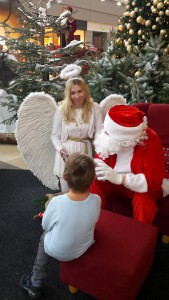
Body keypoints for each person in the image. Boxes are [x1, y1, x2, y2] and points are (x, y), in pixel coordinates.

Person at [19, 152, 101, 299]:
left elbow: (45, 226)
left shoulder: (57, 202)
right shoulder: (97, 200)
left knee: (44, 237)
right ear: (93, 178)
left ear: (65, 176)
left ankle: (35, 282)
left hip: (58, 250)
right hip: (84, 246)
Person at [90, 104, 167, 224]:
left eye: (109, 134)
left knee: (143, 198)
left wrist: (120, 179)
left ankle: (141, 235)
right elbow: (101, 163)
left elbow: (153, 181)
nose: (105, 135)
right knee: (93, 180)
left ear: (127, 138)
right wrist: (94, 166)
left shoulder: (150, 140)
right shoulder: (108, 139)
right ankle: (92, 222)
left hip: (140, 185)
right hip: (114, 183)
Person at [51, 63, 103, 192]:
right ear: (69, 94)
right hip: (66, 153)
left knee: (84, 189)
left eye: (80, 91)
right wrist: (61, 149)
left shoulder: (94, 108)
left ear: (85, 90)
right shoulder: (62, 109)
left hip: (85, 152)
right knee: (66, 190)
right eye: (73, 93)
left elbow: (101, 132)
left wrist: (99, 151)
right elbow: (54, 135)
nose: (77, 96)